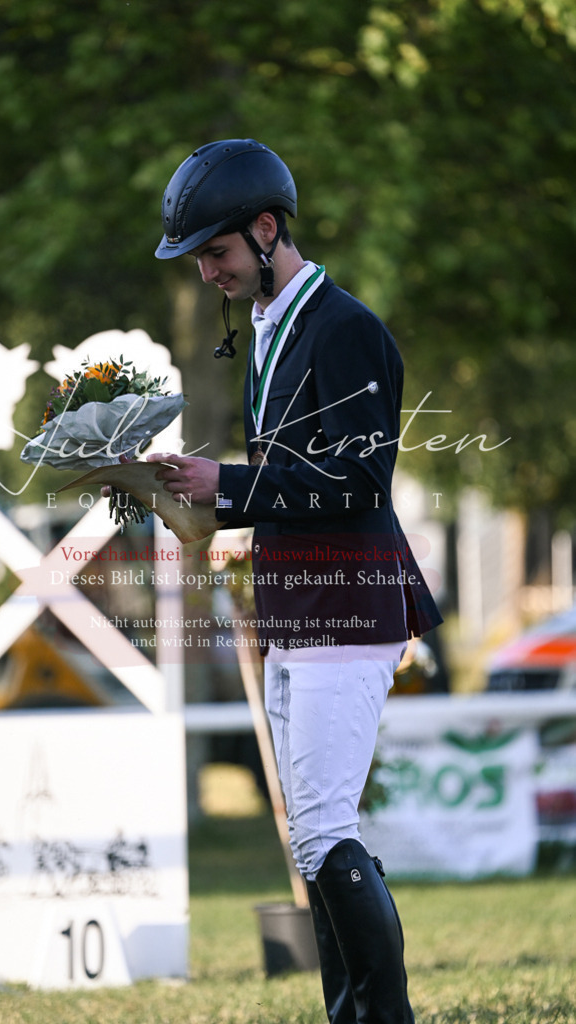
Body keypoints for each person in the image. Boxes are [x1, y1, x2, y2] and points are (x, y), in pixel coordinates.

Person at [149, 138, 442, 1023]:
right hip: (298, 606)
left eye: (217, 252)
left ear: (268, 229)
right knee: (313, 837)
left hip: (346, 605)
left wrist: (230, 485)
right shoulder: (274, 329)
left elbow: (358, 481)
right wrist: (203, 497)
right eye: (201, 258)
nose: (208, 273)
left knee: (322, 831)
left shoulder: (344, 328)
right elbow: (295, 480)